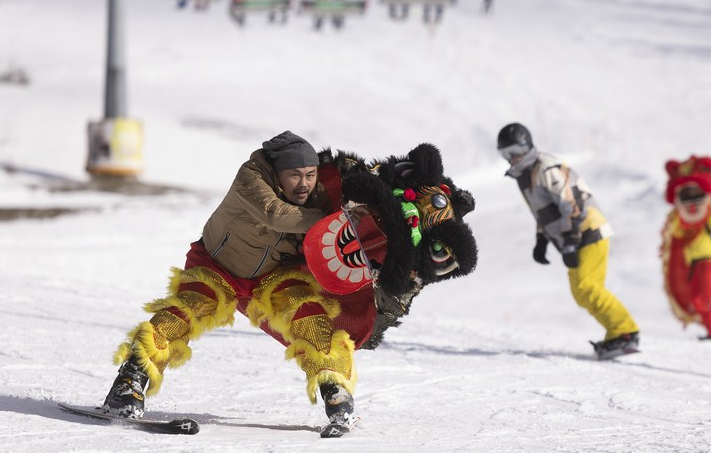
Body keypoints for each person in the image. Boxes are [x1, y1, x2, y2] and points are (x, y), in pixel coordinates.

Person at [101, 132, 479, 432]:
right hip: (218, 265)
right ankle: (130, 380)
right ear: (277, 171)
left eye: (310, 175)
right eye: (294, 175)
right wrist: (332, 219)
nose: (303, 183)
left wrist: (407, 252)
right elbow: (276, 214)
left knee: (311, 317)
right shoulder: (252, 176)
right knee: (186, 310)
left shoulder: (319, 188)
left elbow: (368, 206)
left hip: (273, 276)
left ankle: (335, 391)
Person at [497, 123, 640, 360]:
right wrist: (541, 239)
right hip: (573, 235)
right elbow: (544, 211)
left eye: (514, 151)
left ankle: (625, 331)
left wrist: (572, 241)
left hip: (588, 230)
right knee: (580, 293)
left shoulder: (545, 167)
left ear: (527, 146)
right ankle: (617, 333)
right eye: (505, 154)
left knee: (587, 286)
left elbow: (571, 204)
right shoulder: (525, 175)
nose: (511, 158)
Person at [660, 155, 711, 342]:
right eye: (686, 195)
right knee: (704, 299)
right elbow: (675, 234)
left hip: (710, 260)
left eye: (696, 194)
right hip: (693, 263)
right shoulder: (680, 221)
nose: (692, 202)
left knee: (706, 297)